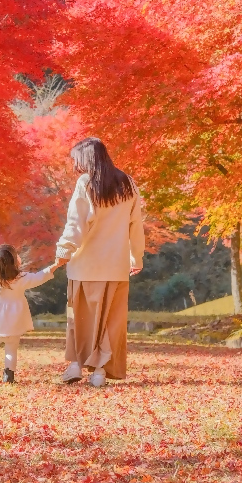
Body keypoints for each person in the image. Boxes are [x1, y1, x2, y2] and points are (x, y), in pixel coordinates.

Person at [55, 137, 145, 388]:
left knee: (78, 317)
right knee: (110, 321)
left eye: (76, 159)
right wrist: (136, 256)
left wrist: (63, 250)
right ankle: (99, 372)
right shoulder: (128, 183)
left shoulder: (85, 183)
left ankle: (75, 364)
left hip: (84, 265)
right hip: (115, 266)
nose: (75, 165)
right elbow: (135, 225)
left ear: (86, 158)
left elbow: (76, 223)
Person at [0, 244, 59, 384]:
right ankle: (9, 375)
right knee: (11, 349)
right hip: (13, 324)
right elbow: (40, 277)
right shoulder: (21, 278)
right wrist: (56, 265)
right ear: (13, 262)